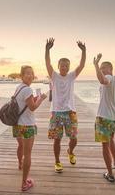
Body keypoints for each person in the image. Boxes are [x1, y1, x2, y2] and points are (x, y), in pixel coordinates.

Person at [45, 38, 86, 172]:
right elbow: (47, 63)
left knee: (73, 138)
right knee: (57, 139)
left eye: (67, 65)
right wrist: (47, 50)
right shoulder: (54, 76)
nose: (64, 67)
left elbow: (81, 65)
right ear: (59, 67)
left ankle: (70, 151)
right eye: (62, 65)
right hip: (56, 112)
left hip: (70, 112)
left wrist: (84, 51)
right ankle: (57, 161)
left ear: (69, 67)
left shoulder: (71, 76)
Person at [13, 65, 47, 191]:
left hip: (17, 124)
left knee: (20, 146)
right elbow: (32, 107)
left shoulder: (19, 87)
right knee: (28, 154)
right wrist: (41, 99)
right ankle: (24, 183)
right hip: (27, 125)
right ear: (21, 76)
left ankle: (20, 164)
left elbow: (24, 103)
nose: (30, 75)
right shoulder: (27, 89)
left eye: (31, 73)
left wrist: (34, 99)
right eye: (27, 73)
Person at [93, 54, 115, 183]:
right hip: (113, 118)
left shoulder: (109, 78)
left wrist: (95, 65)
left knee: (105, 145)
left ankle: (110, 174)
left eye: (104, 68)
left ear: (111, 70)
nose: (102, 69)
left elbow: (102, 80)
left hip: (104, 117)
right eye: (101, 67)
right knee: (110, 140)